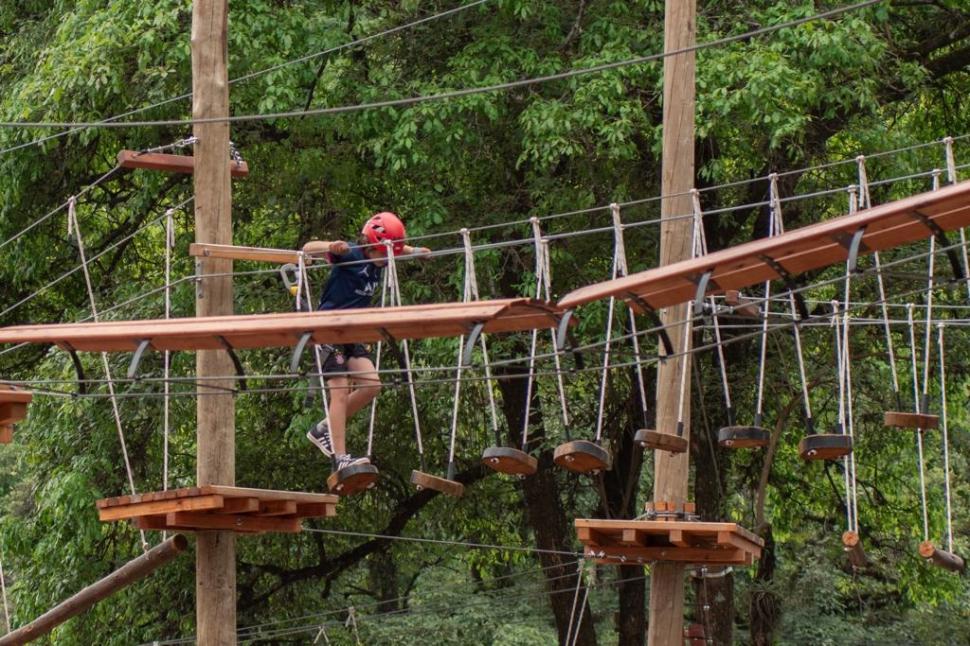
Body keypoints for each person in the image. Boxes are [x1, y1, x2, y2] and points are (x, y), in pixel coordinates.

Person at [301, 212, 430, 473]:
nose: (387, 259)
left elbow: (397, 248)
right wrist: (329, 246)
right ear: (372, 246)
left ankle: (323, 427)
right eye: (385, 254)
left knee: (372, 385)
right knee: (339, 390)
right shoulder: (351, 254)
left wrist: (415, 250)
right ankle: (340, 459)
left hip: (352, 331)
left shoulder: (381, 256)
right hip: (328, 328)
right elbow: (306, 249)